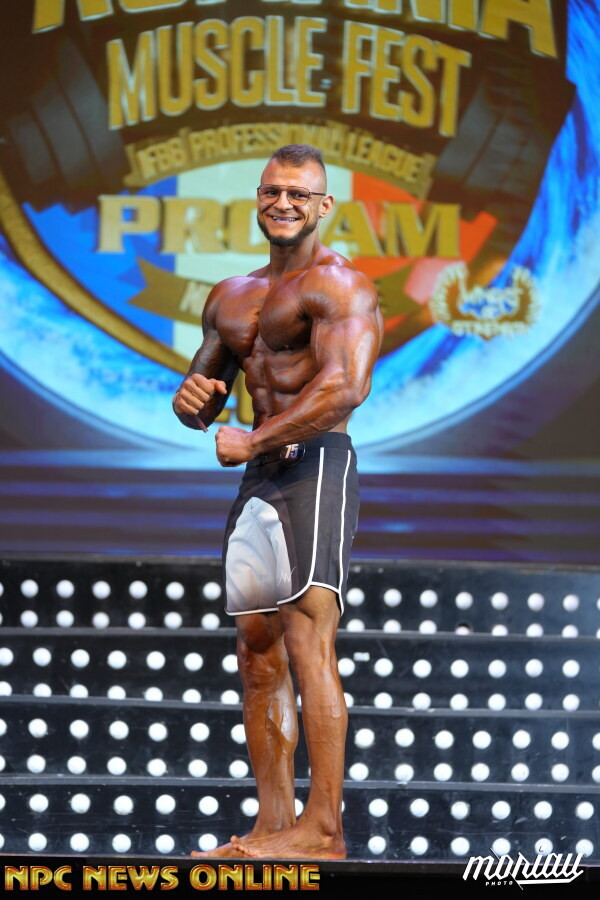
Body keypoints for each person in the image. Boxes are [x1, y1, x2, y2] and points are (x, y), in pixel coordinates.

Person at [173, 144, 383, 859]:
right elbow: (206, 394)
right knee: (257, 648)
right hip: (259, 474)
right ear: (258, 199)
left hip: (314, 465)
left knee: (305, 636)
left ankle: (322, 829)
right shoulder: (231, 295)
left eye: (299, 193)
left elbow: (344, 389)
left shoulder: (342, 287)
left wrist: (256, 438)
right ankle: (272, 824)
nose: (283, 203)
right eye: (272, 191)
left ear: (324, 206)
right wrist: (191, 402)